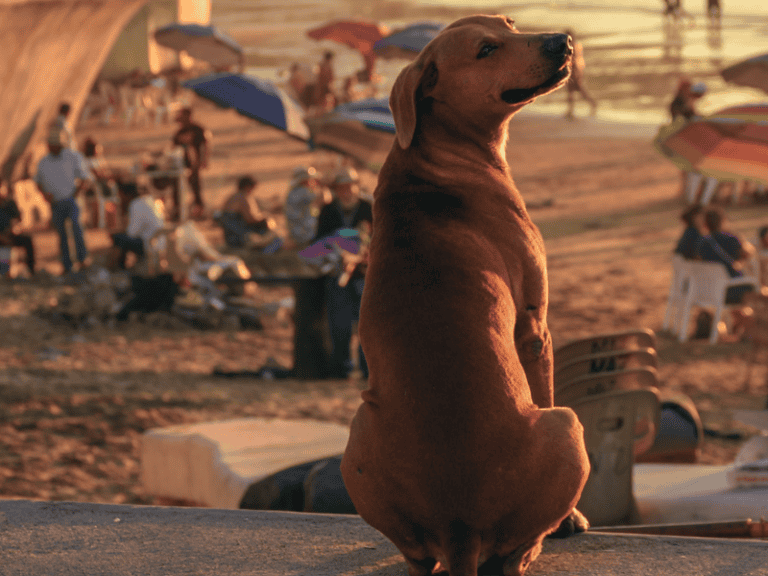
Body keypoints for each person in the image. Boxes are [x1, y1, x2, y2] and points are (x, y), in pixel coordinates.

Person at [314, 167, 372, 379]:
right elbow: (320, 240)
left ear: (357, 187)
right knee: (339, 325)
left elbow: (381, 239)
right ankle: (341, 368)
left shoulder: (368, 208)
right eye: (342, 188)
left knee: (367, 327)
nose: (346, 192)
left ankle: (367, 370)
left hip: (365, 276)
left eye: (350, 187)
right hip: (337, 274)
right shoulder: (328, 211)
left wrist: (364, 254)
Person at [34, 130, 93, 275]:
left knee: (76, 229)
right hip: (55, 203)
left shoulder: (72, 157)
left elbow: (85, 177)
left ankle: (82, 259)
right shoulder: (44, 162)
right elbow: (38, 182)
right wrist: (45, 195)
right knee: (62, 235)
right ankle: (67, 264)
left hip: (71, 200)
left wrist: (76, 194)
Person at [697, 207, 756, 305]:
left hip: (709, 291)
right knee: (755, 288)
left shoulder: (701, 243)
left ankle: (739, 318)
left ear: (705, 224)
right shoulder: (731, 239)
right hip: (731, 289)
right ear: (723, 221)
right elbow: (748, 254)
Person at [109, 181, 165, 270]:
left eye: (121, 196)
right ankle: (127, 265)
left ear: (127, 194)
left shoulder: (135, 204)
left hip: (150, 244)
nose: (120, 199)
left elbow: (132, 233)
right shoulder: (150, 200)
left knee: (117, 238)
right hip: (160, 243)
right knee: (123, 238)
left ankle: (117, 268)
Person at [219, 175, 282, 253]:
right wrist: (266, 218)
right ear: (248, 187)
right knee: (277, 238)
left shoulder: (234, 197)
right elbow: (250, 219)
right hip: (239, 237)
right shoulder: (242, 197)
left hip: (231, 237)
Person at [171, 107, 210, 218]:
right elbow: (173, 148)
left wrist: (203, 161)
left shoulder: (198, 130)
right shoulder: (179, 133)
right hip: (181, 165)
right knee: (177, 187)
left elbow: (205, 145)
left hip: (194, 164)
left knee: (196, 187)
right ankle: (178, 210)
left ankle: (200, 210)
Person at [285, 166, 325, 248]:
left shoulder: (294, 192)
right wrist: (324, 186)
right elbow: (326, 199)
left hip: (297, 232)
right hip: (304, 234)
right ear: (305, 180)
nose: (314, 182)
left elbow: (314, 211)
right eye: (312, 180)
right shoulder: (304, 192)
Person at [0, 191, 35, 276]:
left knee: (27, 240)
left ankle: (31, 270)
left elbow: (18, 218)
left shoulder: (9, 204)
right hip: (2, 238)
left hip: (9, 235)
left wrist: (14, 229)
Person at [564, 29, 597, 120]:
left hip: (573, 74)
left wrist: (575, 74)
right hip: (573, 73)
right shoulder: (575, 45)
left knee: (578, 92)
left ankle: (592, 104)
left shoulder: (572, 47)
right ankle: (571, 110)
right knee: (573, 93)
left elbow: (574, 62)